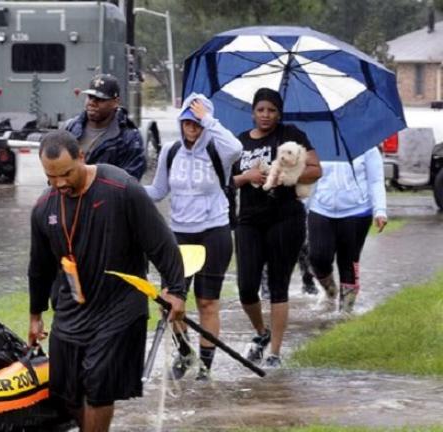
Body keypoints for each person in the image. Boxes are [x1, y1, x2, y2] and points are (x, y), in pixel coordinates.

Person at [28, 130, 185, 432]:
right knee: (67, 392)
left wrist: (176, 290)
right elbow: (39, 267)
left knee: (99, 386)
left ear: (82, 158)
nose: (59, 183)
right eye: (51, 177)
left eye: (66, 174)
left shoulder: (122, 188)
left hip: (119, 306)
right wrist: (35, 316)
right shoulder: (43, 207)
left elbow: (162, 243)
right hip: (72, 308)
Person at [145, 93, 242, 381]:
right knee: (171, 300)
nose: (191, 128)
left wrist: (209, 119)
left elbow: (236, 148)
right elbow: (158, 190)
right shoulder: (170, 151)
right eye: (187, 121)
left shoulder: (218, 150)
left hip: (214, 231)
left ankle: (205, 366)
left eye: (197, 123)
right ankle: (185, 352)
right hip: (179, 234)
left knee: (207, 302)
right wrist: (127, 191)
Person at [233, 88, 322, 368]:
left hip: (285, 218)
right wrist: (246, 176)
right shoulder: (240, 142)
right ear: (253, 112)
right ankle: (261, 332)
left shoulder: (291, 135)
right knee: (247, 287)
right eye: (261, 110)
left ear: (279, 113)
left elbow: (316, 169)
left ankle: (274, 352)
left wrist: (285, 174)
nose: (266, 115)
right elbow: (226, 180)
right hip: (248, 220)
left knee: (277, 286)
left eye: (271, 110)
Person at [307, 145, 388, 314]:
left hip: (357, 211)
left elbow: (375, 180)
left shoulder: (367, 146)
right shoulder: (316, 144)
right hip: (320, 208)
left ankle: (345, 313)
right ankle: (330, 291)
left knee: (348, 262)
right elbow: (307, 177)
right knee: (318, 257)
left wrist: (380, 210)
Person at [64, 73, 147, 180]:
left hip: (107, 196)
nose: (92, 103)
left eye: (100, 99)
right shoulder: (71, 127)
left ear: (115, 102)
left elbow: (129, 183)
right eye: (90, 97)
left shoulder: (129, 137)